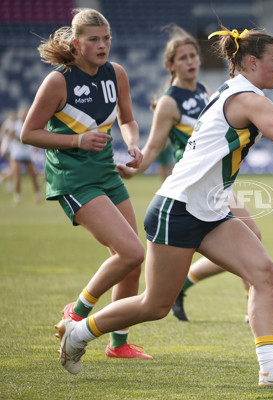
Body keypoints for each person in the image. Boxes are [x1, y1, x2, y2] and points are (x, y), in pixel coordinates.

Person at [53, 26, 273, 386]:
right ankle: (80, 332)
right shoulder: (250, 98)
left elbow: (268, 127)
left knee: (264, 273)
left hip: (208, 209)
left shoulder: (238, 92)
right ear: (253, 62)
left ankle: (271, 369)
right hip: (177, 209)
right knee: (155, 306)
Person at [115, 25, 273, 324]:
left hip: (216, 179)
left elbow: (261, 124)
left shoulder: (208, 91)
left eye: (194, 55)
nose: (191, 61)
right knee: (156, 302)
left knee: (255, 244)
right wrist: (136, 170)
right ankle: (194, 287)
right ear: (171, 65)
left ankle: (254, 304)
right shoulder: (170, 102)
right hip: (193, 182)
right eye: (183, 58)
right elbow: (155, 145)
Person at [21, 8, 152, 359]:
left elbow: (127, 118)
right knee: (132, 252)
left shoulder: (117, 74)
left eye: (106, 38)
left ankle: (118, 344)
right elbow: (28, 133)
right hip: (74, 179)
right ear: (77, 44)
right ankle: (75, 314)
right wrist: (78, 141)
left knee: (131, 261)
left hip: (106, 173)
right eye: (94, 39)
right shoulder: (58, 81)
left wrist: (134, 144)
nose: (102, 45)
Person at [4, 106, 42, 204]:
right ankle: (17, 196)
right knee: (17, 175)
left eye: (25, 114)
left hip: (27, 154)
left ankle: (37, 195)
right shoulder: (15, 125)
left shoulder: (29, 124)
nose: (23, 116)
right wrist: (19, 140)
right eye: (22, 115)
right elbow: (11, 135)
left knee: (33, 175)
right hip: (17, 153)